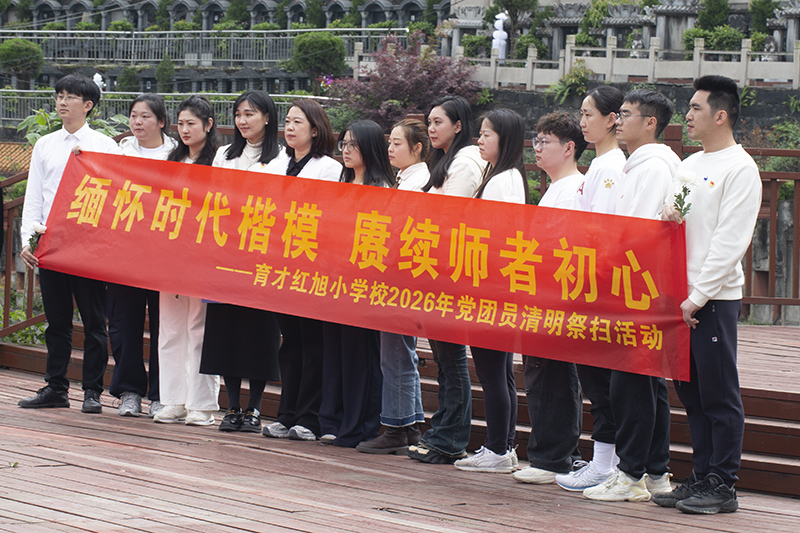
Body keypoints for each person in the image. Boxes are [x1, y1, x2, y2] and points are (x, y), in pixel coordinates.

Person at [653, 75, 761, 515]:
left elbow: (730, 241)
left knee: (718, 393)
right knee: (692, 393)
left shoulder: (741, 168)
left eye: (696, 108)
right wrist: (667, 212)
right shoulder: (690, 164)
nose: (688, 115)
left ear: (721, 115)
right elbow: (671, 218)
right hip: (682, 297)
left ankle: (723, 483)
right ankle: (700, 476)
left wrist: (698, 296)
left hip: (711, 300)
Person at [583, 89, 678, 502]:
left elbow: (636, 232)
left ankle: (631, 474)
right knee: (645, 382)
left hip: (637, 287)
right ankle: (654, 473)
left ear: (650, 122)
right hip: (639, 285)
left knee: (632, 383)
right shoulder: (641, 163)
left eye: (626, 115)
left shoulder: (653, 166)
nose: (618, 121)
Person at [18, 74, 120, 413]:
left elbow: (116, 197)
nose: (62, 102)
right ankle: (56, 387)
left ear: (88, 105)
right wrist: (27, 239)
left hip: (89, 245)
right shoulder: (45, 144)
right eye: (59, 95)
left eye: (70, 97)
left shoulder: (105, 146)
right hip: (52, 243)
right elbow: (35, 195)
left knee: (94, 321)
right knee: (57, 320)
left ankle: (92, 391)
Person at [407, 95, 487, 465]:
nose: (432, 128)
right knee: (443, 357)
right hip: (436, 270)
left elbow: (446, 219)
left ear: (458, 125)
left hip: (452, 273)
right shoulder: (445, 160)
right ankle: (443, 430)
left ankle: (451, 438)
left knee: (451, 358)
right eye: (430, 122)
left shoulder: (466, 162)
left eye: (439, 122)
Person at [556, 85, 626, 492]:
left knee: (600, 381)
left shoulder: (610, 167)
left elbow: (602, 233)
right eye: (581, 114)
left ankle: (604, 465)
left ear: (612, 119)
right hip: (586, 279)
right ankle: (605, 464)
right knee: (596, 379)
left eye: (589, 114)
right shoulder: (601, 164)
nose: (582, 122)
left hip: (596, 286)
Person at [200, 91, 283, 432]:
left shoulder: (282, 158)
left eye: (250, 114)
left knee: (259, 331)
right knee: (226, 329)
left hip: (263, 254)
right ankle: (232, 406)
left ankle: (255, 408)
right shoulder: (224, 154)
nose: (243, 121)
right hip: (226, 252)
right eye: (238, 115)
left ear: (267, 117)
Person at [512, 111, 587, 485]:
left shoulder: (575, 189)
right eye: (536, 140)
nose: (537, 148)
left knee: (553, 375)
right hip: (541, 292)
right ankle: (552, 454)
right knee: (543, 374)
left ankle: (554, 457)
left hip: (557, 295)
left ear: (569, 147)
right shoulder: (556, 187)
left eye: (545, 142)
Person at [261, 99, 342, 441]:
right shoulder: (278, 163)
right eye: (288, 121)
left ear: (315, 129)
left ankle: (310, 418)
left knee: (313, 344)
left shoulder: (329, 168)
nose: (290, 128)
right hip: (281, 265)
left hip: (313, 266)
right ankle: (286, 414)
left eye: (298, 122)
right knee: (290, 342)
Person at [453, 108, 527, 473]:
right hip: (502, 287)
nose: (479, 140)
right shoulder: (509, 175)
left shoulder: (499, 181)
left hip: (490, 287)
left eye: (486, 134)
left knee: (492, 371)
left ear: (504, 138)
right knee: (501, 371)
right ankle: (503, 446)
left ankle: (497, 449)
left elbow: (494, 240)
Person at [356, 118, 430, 454]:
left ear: (417, 148)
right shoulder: (406, 179)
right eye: (390, 142)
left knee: (396, 355)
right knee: (401, 353)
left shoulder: (418, 182)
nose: (390, 149)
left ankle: (397, 426)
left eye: (398, 143)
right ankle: (409, 424)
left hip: (402, 280)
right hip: (398, 278)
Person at [318, 120, 393, 447]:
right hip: (334, 281)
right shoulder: (342, 181)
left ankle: (359, 425)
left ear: (370, 149)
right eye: (343, 144)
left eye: (353, 145)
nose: (346, 151)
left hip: (363, 285)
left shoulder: (382, 189)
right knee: (334, 353)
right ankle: (333, 421)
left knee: (359, 357)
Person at [154, 95, 221, 425]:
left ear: (208, 125)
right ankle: (173, 400)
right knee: (170, 327)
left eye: (191, 123)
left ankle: (202, 404)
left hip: (205, 253)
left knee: (199, 327)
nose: (184, 129)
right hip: (169, 253)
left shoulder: (220, 160)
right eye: (180, 123)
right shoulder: (171, 158)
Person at [109, 93, 177, 418]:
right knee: (124, 322)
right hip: (125, 253)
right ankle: (130, 391)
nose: (137, 122)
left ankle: (161, 394)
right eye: (134, 115)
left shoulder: (178, 155)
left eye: (146, 116)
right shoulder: (118, 152)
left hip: (166, 254)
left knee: (166, 324)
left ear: (161, 121)